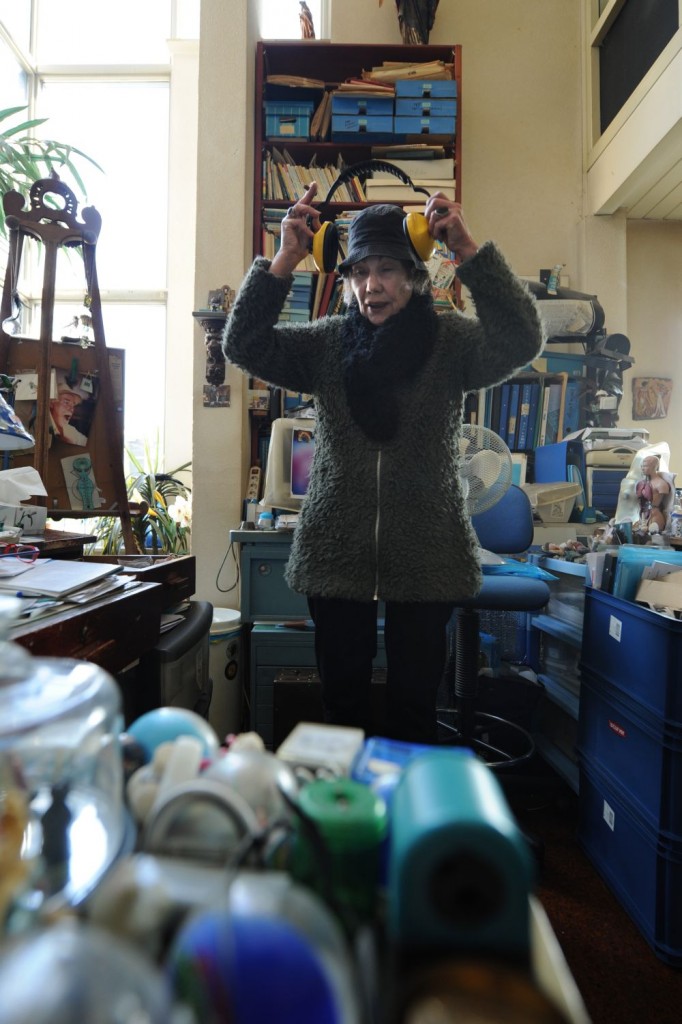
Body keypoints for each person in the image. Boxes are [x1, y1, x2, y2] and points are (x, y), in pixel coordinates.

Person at [223, 182, 544, 744]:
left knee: (414, 710)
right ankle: (348, 800)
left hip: (428, 549)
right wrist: (286, 257)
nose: (371, 285)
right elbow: (243, 344)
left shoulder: (450, 343)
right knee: (341, 705)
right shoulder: (324, 344)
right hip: (335, 549)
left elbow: (521, 338)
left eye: (388, 269)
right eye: (359, 272)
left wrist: (467, 249)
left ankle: (407, 799)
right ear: (346, 280)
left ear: (415, 276)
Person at [635, 453, 673, 534]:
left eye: (645, 466)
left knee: (653, 535)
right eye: (642, 466)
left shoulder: (661, 484)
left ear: (654, 467)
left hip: (655, 516)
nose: (642, 468)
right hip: (643, 515)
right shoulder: (643, 483)